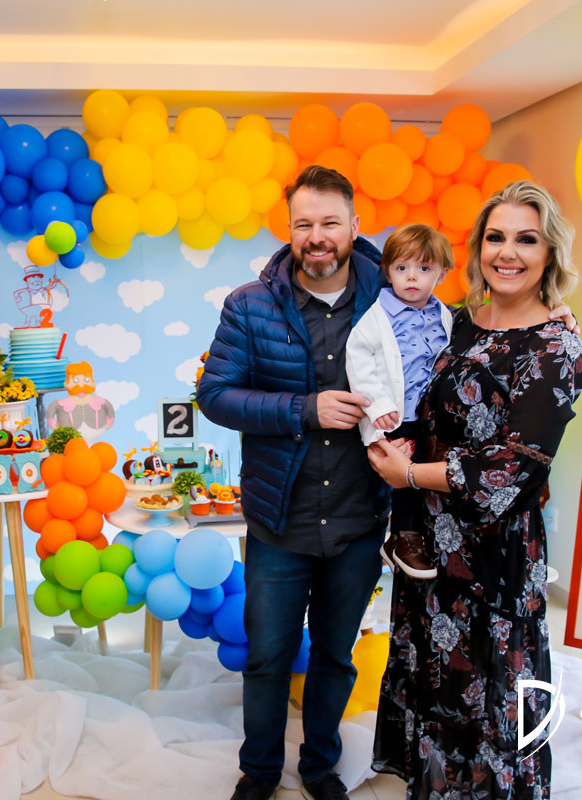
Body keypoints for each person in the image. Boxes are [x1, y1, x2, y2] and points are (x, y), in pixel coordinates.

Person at [367, 180, 582, 798]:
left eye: (526, 239)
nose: (507, 252)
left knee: (492, 689)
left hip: (497, 552)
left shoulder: (556, 345)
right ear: (478, 248)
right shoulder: (457, 322)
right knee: (432, 673)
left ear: (549, 253)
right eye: (495, 237)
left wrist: (409, 475)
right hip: (430, 543)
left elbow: (509, 468)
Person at [197, 165, 389, 800]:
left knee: (335, 655)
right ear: (289, 228)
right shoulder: (249, 305)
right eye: (304, 224)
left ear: (354, 226)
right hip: (279, 519)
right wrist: (304, 409)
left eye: (330, 223)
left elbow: (446, 351)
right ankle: (258, 773)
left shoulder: (393, 299)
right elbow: (216, 395)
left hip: (359, 519)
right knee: (267, 657)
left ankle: (319, 768)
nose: (317, 237)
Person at [345, 224, 454, 580]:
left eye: (424, 268)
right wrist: (377, 406)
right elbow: (358, 361)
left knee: (433, 473)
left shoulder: (445, 315)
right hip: (396, 416)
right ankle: (402, 537)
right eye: (402, 268)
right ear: (388, 270)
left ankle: (423, 535)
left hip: (431, 417)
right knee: (406, 473)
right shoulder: (377, 318)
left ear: (441, 274)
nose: (411, 277)